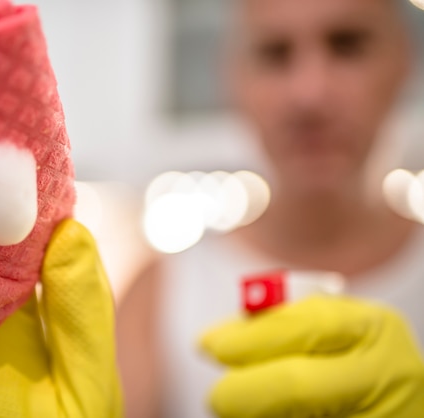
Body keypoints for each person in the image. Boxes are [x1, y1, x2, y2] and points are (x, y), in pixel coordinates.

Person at [117, 0, 424, 417]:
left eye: (348, 45)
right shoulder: (158, 295)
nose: (309, 94)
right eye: (274, 53)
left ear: (404, 61)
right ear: (234, 78)